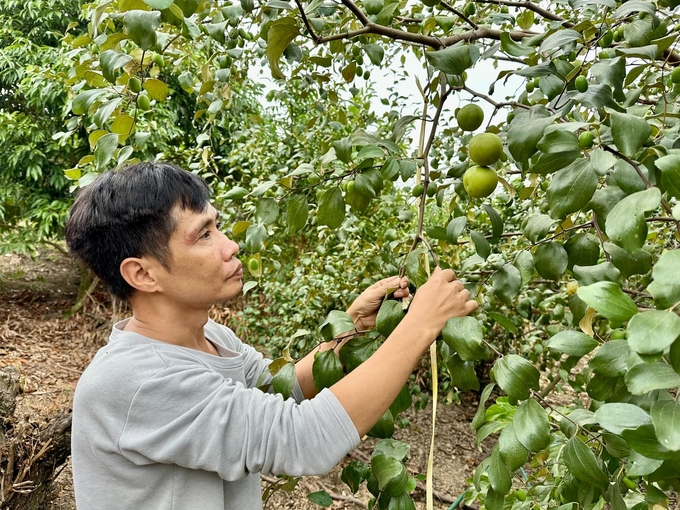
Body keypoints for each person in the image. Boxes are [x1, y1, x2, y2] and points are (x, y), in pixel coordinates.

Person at [64, 161, 478, 510]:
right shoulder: (136, 382)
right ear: (143, 273)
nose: (231, 247)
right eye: (203, 234)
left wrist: (349, 332)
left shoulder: (212, 336)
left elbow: (279, 392)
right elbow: (303, 438)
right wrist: (419, 325)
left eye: (218, 226)